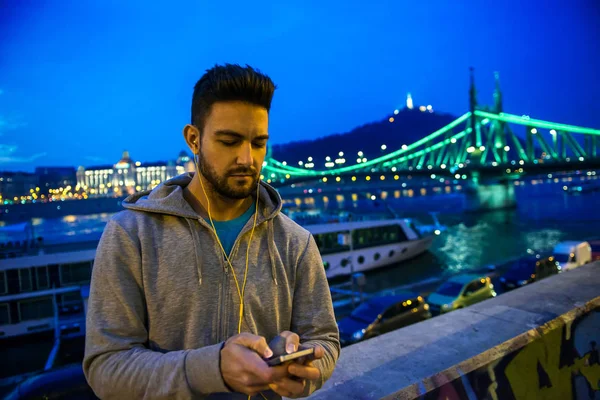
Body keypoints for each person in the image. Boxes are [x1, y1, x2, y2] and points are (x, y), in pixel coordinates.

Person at [83, 64, 340, 399]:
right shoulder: (131, 235)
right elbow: (106, 368)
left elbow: (326, 340)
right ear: (193, 139)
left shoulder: (296, 242)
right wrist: (213, 369)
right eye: (230, 141)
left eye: (258, 143)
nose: (247, 159)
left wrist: (303, 366)